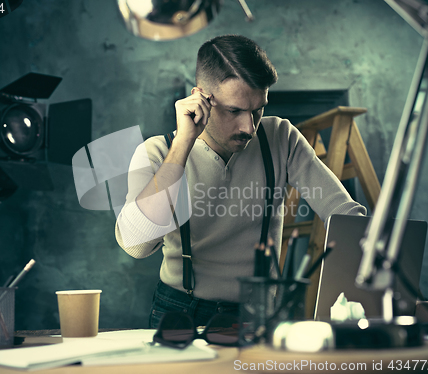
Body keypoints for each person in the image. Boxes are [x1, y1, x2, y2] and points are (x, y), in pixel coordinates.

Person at [115, 34, 366, 328]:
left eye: (258, 110)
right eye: (234, 111)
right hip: (180, 311)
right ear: (201, 99)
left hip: (257, 315)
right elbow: (137, 246)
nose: (248, 126)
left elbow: (346, 215)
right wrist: (183, 143)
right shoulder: (157, 152)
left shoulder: (281, 138)